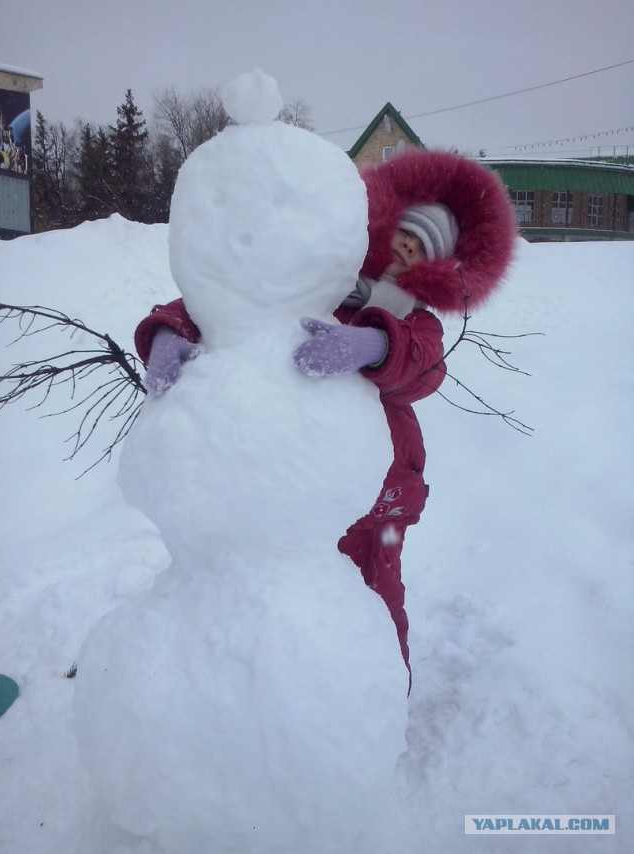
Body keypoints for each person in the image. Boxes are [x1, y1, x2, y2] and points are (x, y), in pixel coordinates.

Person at [134, 148, 516, 686]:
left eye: (422, 247)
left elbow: (423, 370)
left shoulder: (417, 322)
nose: (407, 248)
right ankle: (289, 702)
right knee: (292, 600)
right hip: (299, 477)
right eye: (405, 234)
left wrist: (374, 344)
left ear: (438, 264)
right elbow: (235, 300)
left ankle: (382, 697)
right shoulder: (324, 288)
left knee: (375, 596)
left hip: (381, 488)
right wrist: (170, 331)